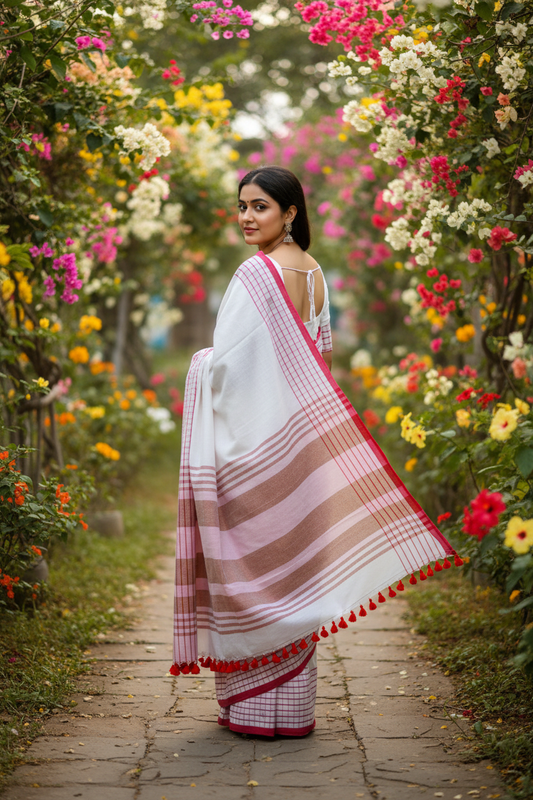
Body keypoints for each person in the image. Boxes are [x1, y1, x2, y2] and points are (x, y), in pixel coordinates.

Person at [171, 165, 459, 737]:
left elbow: (226, 369)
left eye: (260, 207)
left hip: (253, 449)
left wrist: (198, 364)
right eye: (243, 206)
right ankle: (289, 712)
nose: (248, 218)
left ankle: (256, 711)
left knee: (256, 569)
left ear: (290, 213)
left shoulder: (256, 274)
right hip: (301, 447)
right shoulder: (317, 275)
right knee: (292, 572)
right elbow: (317, 360)